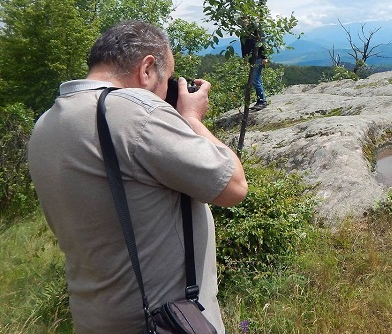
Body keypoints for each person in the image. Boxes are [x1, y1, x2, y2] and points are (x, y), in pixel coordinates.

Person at [28, 20, 248, 334]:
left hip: (93, 318)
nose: (166, 90)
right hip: (164, 322)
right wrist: (191, 119)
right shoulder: (136, 112)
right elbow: (234, 187)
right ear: (146, 70)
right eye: (167, 78)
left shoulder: (46, 124)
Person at [240, 20, 268, 111]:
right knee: (257, 80)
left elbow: (262, 43)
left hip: (258, 58)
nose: (243, 21)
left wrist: (264, 57)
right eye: (241, 19)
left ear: (249, 19)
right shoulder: (243, 32)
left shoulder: (255, 30)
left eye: (245, 19)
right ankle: (260, 101)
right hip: (251, 59)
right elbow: (243, 47)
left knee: (255, 80)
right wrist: (245, 58)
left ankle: (262, 102)